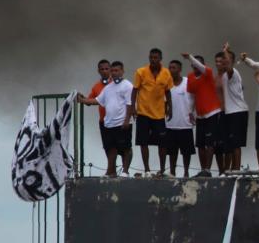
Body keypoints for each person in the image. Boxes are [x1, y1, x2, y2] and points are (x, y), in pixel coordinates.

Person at [77, 61, 133, 177]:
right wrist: (82, 100)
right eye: (113, 71)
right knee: (110, 148)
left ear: (122, 71)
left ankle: (125, 171)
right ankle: (110, 172)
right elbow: (97, 100)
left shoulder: (127, 85)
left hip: (122, 123)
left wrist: (127, 120)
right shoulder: (107, 88)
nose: (114, 73)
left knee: (125, 148)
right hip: (108, 123)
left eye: (116, 70)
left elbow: (130, 103)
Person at [131, 48, 173, 176]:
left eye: (156, 58)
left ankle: (161, 169)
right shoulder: (141, 71)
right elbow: (135, 90)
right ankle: (147, 169)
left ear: (160, 59)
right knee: (143, 142)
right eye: (151, 58)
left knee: (162, 143)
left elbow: (168, 91)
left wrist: (170, 107)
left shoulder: (166, 73)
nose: (153, 60)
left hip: (159, 113)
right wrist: (133, 107)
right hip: (143, 112)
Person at [183, 52, 225, 177]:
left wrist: (190, 57)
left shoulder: (208, 73)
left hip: (212, 113)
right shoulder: (190, 77)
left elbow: (200, 67)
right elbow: (191, 95)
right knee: (200, 144)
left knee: (210, 143)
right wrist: (190, 112)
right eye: (193, 65)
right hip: (200, 115)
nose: (196, 67)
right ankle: (203, 169)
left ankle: (208, 169)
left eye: (198, 64)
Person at [218, 43, 249, 172]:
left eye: (226, 59)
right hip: (229, 113)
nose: (224, 61)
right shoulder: (224, 76)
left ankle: (236, 170)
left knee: (236, 144)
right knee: (228, 144)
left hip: (238, 112)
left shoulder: (233, 72)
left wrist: (225, 51)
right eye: (223, 59)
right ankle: (227, 170)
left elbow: (229, 66)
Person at [163, 59, 196, 177]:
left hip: (185, 123)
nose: (172, 70)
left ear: (180, 69)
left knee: (186, 152)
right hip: (170, 123)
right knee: (172, 152)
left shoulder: (188, 82)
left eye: (174, 68)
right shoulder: (166, 84)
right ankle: (172, 171)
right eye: (170, 68)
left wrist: (194, 112)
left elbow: (197, 97)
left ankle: (186, 172)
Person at [88, 59, 112, 151]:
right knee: (107, 147)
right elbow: (89, 101)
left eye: (107, 69)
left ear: (110, 69)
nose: (105, 71)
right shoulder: (96, 86)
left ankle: (124, 166)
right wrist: (80, 98)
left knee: (123, 147)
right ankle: (111, 165)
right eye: (102, 69)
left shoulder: (116, 84)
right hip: (104, 121)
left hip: (118, 120)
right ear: (98, 71)